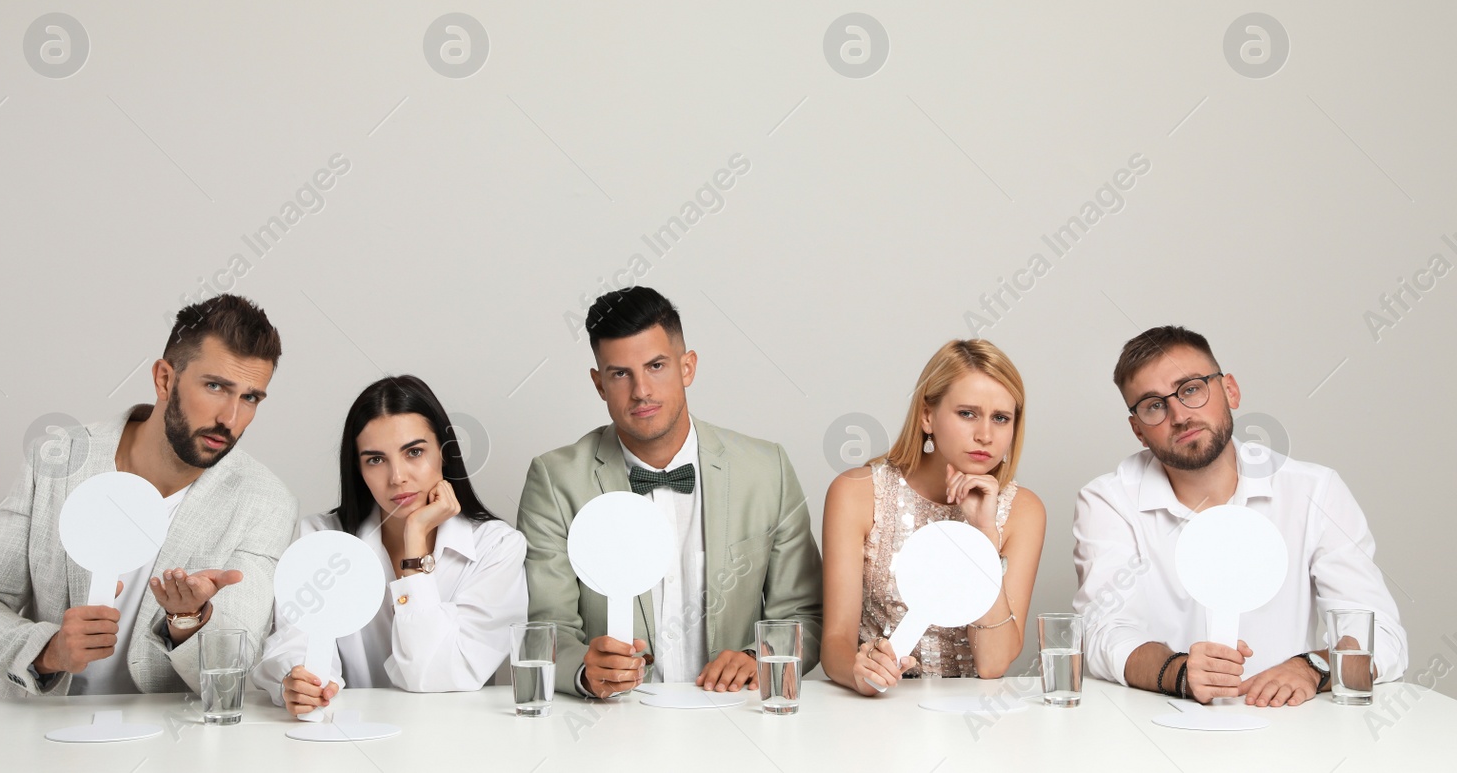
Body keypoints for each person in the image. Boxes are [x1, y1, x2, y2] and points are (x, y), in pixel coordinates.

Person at [0, 294, 297, 698]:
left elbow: (231, 670)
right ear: (165, 379)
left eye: (250, 397)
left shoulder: (266, 502)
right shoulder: (60, 460)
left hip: (161, 748)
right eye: (216, 386)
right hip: (32, 739)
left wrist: (187, 619)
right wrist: (50, 650)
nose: (231, 419)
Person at [1074, 325, 1409, 706]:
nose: (1180, 415)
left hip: (1293, 729)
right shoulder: (1108, 500)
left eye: (1192, 389)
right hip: (1161, 723)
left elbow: (1380, 635)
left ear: (1230, 390)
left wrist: (1312, 668)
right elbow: (1102, 632)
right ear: (1137, 430)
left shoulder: (1315, 490)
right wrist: (1179, 672)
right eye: (1154, 405)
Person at [517, 286, 823, 698]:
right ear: (599, 384)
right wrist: (584, 672)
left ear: (687, 367)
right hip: (612, 726)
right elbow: (548, 627)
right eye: (620, 373)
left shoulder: (767, 470)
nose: (641, 390)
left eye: (656, 365)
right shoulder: (555, 481)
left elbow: (804, 613)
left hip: (733, 717)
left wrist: (757, 656)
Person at [253, 375, 526, 712]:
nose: (397, 477)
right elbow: (294, 641)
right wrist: (295, 680)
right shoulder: (324, 537)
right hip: (346, 734)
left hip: (453, 739)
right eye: (376, 460)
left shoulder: (496, 547)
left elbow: (433, 676)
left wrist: (415, 546)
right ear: (359, 469)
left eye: (414, 452)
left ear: (445, 453)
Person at [822, 340, 1045, 694]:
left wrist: (984, 532)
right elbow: (835, 642)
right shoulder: (857, 493)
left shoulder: (1023, 511)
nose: (985, 435)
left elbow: (992, 664)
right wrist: (859, 672)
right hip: (877, 710)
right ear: (927, 416)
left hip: (970, 714)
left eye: (1001, 418)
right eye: (967, 413)